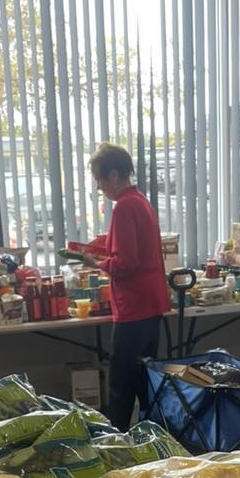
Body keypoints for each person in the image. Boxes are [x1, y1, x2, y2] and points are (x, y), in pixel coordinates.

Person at [76, 143, 169, 432]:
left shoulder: (125, 207)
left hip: (133, 310)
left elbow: (126, 263)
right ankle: (153, 440)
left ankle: (114, 444)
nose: (100, 187)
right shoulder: (140, 200)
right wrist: (104, 245)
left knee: (121, 385)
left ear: (114, 175)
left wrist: (96, 263)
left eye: (100, 180)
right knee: (144, 382)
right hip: (150, 306)